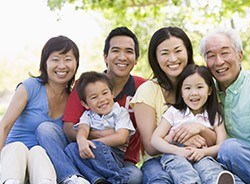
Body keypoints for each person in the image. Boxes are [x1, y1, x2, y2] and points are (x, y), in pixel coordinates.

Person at [36, 26, 145, 184]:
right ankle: (72, 177)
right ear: (105, 56)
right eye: (115, 51)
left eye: (129, 51)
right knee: (46, 130)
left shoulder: (143, 87)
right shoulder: (85, 85)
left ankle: (94, 179)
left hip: (119, 160)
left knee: (135, 177)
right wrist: (91, 139)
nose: (122, 57)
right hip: (83, 153)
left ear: (136, 59)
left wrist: (94, 139)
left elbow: (123, 137)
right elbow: (69, 128)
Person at [130, 26, 217, 183]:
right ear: (155, 58)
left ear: (188, 52)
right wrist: (182, 141)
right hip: (158, 160)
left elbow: (217, 136)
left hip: (200, 155)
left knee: (211, 175)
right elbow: (150, 146)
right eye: (164, 53)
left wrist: (200, 132)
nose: (172, 58)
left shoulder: (202, 86)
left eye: (178, 51)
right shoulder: (147, 91)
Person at [200, 27, 250, 184]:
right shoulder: (206, 92)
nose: (219, 62)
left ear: (240, 55)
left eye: (225, 53)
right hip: (242, 161)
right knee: (228, 149)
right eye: (211, 56)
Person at [0, 35, 79, 184]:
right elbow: (3, 126)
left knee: (38, 152)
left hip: (44, 163)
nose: (62, 66)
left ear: (76, 64)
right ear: (45, 63)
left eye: (68, 59)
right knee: (17, 148)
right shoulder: (29, 87)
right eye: (55, 59)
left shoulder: (74, 99)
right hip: (14, 160)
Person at [151, 64, 234, 183]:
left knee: (209, 169)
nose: (193, 93)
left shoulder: (214, 115)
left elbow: (221, 145)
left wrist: (203, 152)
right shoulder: (174, 112)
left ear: (210, 90)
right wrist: (177, 150)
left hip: (202, 154)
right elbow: (155, 139)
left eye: (199, 87)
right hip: (176, 154)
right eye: (188, 88)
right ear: (181, 92)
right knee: (184, 171)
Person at [65, 71, 137, 183]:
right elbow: (83, 128)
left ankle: (117, 178)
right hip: (92, 156)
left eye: (105, 93)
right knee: (70, 148)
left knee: (133, 175)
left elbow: (121, 137)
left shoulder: (120, 112)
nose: (102, 99)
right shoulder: (88, 115)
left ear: (112, 93)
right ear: (85, 104)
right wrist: (82, 140)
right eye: (94, 97)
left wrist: (93, 143)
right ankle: (98, 180)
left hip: (114, 156)